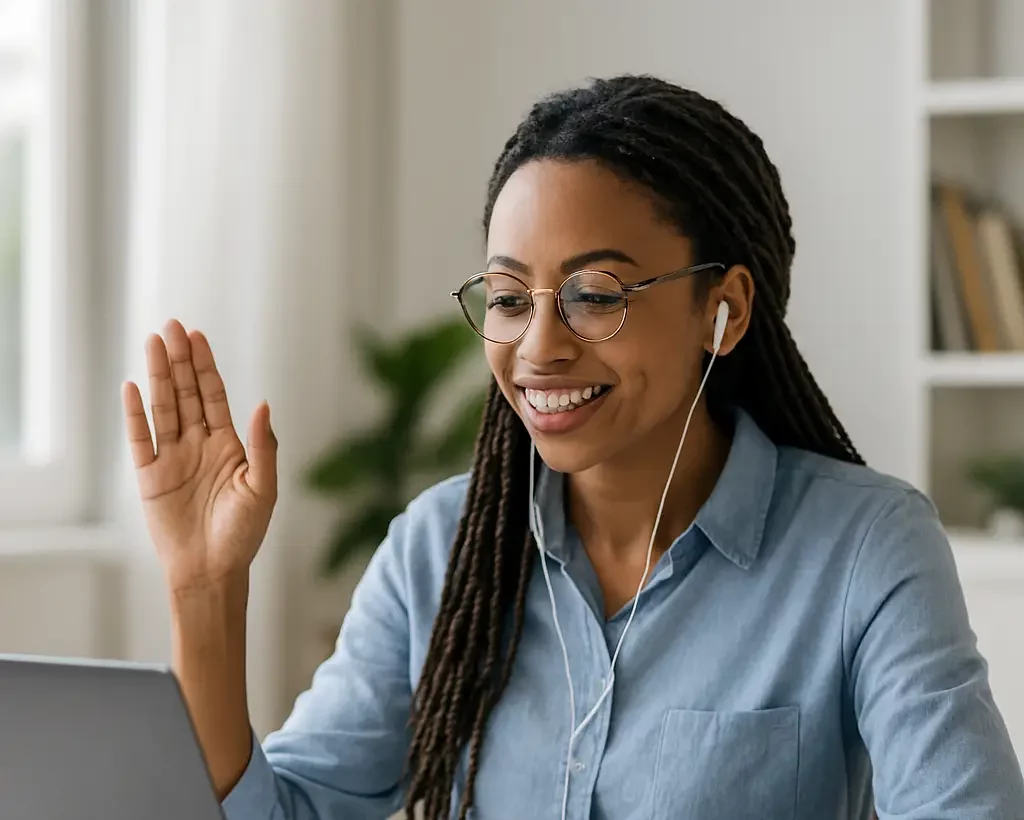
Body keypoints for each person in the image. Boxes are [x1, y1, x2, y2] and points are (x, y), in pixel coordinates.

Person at [122, 75, 1024, 820]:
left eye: (597, 294)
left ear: (726, 310)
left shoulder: (864, 547)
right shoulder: (437, 551)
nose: (540, 346)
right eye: (510, 298)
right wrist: (206, 588)